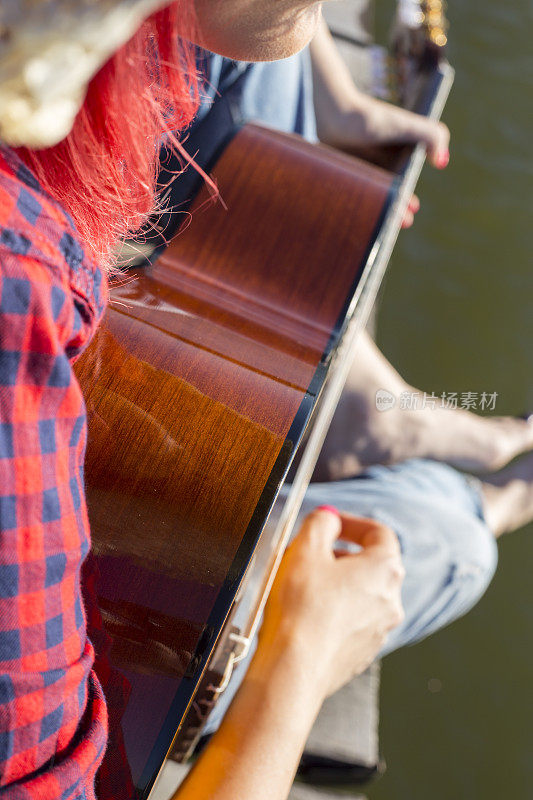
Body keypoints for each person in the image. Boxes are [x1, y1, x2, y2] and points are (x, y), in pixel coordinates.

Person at [1, 4, 532, 800]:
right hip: (102, 632)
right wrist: (303, 659)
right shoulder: (15, 290)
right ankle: (471, 500)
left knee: (247, 47)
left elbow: (261, 19)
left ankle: (366, 404)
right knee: (450, 536)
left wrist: (340, 106)